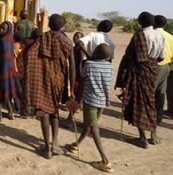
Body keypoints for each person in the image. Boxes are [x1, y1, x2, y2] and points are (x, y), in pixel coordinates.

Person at [25, 14, 75, 159]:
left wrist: (34, 73)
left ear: (48, 24)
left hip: (42, 79)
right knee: (54, 111)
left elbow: (29, 55)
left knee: (44, 112)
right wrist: (71, 88)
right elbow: (72, 67)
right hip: (58, 80)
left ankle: (47, 148)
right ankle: (54, 144)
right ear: (62, 26)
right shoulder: (67, 41)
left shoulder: (41, 38)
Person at [115, 12, 165, 149]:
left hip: (139, 73)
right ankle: (153, 136)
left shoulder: (138, 36)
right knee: (151, 101)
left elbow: (129, 55)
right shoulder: (160, 36)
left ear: (139, 22)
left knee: (138, 102)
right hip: (152, 71)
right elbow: (161, 57)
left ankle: (143, 139)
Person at [67, 44, 113, 173]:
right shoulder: (109, 66)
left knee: (93, 128)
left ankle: (105, 161)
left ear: (96, 53)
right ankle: (76, 145)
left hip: (91, 101)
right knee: (89, 124)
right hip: (102, 102)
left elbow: (82, 81)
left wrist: (77, 100)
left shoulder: (89, 65)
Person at [62, 31, 85, 128]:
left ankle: (70, 119)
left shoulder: (79, 48)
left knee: (74, 96)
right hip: (73, 74)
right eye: (75, 36)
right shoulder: (74, 47)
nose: (75, 38)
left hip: (76, 75)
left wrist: (78, 74)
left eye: (78, 36)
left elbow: (79, 62)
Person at [154, 15, 173, 123]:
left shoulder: (150, 35)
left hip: (153, 66)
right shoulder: (170, 37)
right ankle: (158, 117)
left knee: (149, 92)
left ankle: (147, 116)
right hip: (166, 67)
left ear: (154, 23)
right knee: (161, 92)